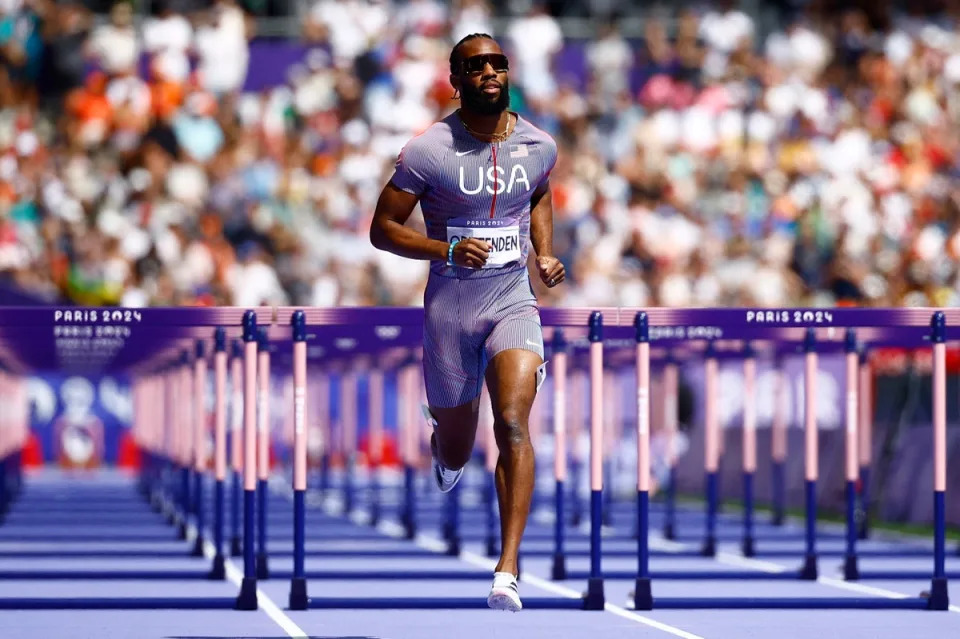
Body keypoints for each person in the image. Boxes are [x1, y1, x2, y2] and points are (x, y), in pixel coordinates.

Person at [369, 33, 564, 611]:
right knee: (458, 449)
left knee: (512, 421)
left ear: (509, 74)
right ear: (455, 79)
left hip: (512, 300)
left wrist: (543, 253)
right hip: (451, 311)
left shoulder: (539, 143)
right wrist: (445, 251)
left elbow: (539, 193)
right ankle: (442, 439)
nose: (488, 72)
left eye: (497, 63)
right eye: (474, 66)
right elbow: (383, 228)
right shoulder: (429, 149)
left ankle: (506, 570)